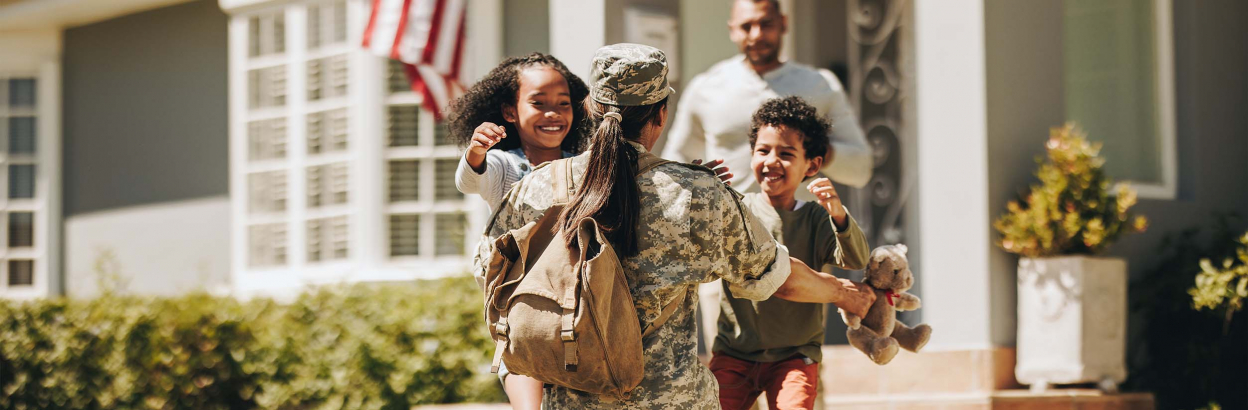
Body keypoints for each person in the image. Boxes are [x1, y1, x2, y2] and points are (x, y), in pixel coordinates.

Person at [474, 43, 876, 410]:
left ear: (590, 109)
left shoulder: (538, 185)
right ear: (661, 114)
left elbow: (488, 271)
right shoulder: (697, 193)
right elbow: (774, 276)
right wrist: (847, 294)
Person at [710, 96, 870, 410]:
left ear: (811, 165)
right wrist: (703, 189)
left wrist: (838, 214)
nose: (771, 161)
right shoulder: (737, 211)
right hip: (735, 354)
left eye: (786, 154)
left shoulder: (816, 217)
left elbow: (855, 259)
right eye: (763, 150)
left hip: (795, 356)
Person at [662, 0, 872, 192]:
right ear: (732, 30)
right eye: (746, 26)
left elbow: (861, 169)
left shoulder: (820, 85)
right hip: (726, 230)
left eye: (766, 24)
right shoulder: (705, 88)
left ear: (783, 23)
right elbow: (675, 162)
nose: (757, 35)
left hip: (796, 230)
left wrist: (812, 147)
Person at [449, 53, 592, 212]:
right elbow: (468, 183)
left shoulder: (584, 167)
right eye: (538, 103)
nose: (553, 113)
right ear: (510, 112)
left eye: (564, 103)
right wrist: (476, 150)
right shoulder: (505, 167)